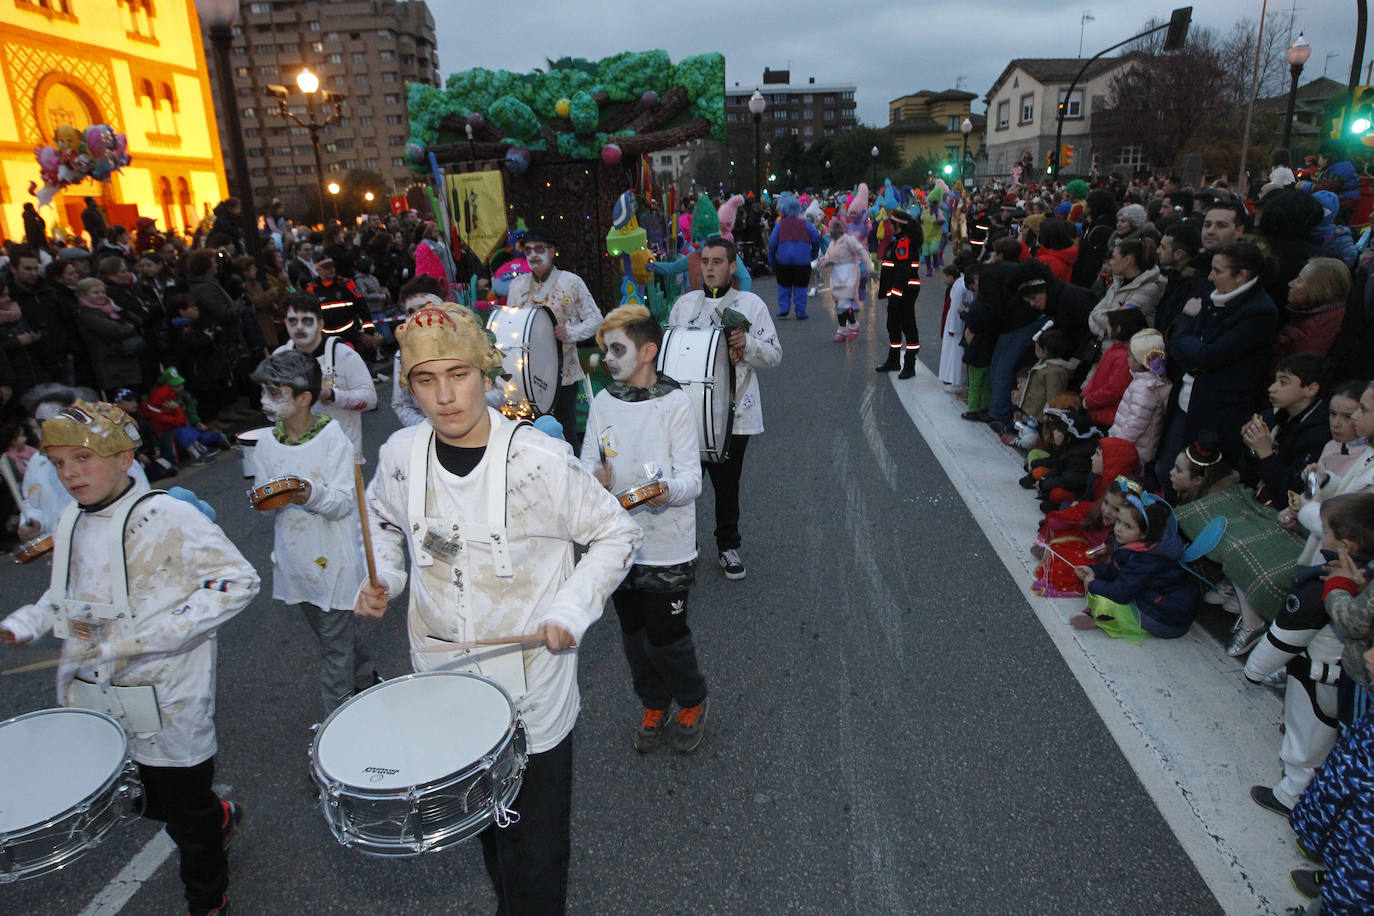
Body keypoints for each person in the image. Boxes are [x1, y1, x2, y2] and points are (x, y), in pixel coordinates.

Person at [355, 302, 641, 914]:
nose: (445, 396)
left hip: (531, 693)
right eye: (425, 381)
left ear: (487, 375)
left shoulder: (538, 461)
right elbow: (380, 514)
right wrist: (388, 572)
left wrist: (570, 608)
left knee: (535, 856)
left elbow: (616, 533)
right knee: (489, 831)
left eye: (457, 375)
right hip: (446, 684)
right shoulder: (401, 457)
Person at [0, 400, 258, 916]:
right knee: (136, 796)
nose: (70, 474)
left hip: (167, 693)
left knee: (183, 811)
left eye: (83, 458)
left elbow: (236, 582)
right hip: (97, 688)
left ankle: (207, 899)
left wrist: (150, 635)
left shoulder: (168, 516)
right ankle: (216, 816)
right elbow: (64, 592)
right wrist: (25, 622)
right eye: (58, 463)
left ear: (124, 458)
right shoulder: (71, 518)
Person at [580, 305, 710, 754]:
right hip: (619, 545)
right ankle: (654, 702)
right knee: (634, 637)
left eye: (618, 348)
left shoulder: (675, 403)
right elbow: (586, 463)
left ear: (648, 351)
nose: (609, 359)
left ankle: (692, 699)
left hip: (667, 545)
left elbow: (692, 480)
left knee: (666, 637)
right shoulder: (602, 401)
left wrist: (666, 491)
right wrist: (592, 475)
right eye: (605, 350)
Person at [250, 351, 373, 714]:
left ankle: (336, 727)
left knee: (334, 649)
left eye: (275, 394)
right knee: (334, 638)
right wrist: (265, 499)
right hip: (295, 561)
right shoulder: (266, 444)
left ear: (304, 398)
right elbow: (263, 497)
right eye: (264, 393)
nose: (264, 402)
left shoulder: (333, 439)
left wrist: (308, 493)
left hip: (333, 559)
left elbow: (342, 503)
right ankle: (367, 679)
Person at [1243, 493, 1374, 818]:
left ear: (1347, 546)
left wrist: (1255, 670)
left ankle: (1293, 796)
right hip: (1340, 675)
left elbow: (1286, 637)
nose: (1321, 536)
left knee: (1307, 738)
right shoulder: (1367, 573)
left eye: (1325, 532)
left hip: (1320, 676)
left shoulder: (1328, 584)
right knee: (1330, 735)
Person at [667, 237, 781, 580]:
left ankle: (727, 546)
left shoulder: (751, 303)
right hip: (688, 415)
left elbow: (774, 354)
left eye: (718, 262)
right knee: (684, 487)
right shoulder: (684, 305)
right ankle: (682, 548)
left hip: (734, 414)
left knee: (726, 486)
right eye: (705, 262)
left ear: (732, 267)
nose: (710, 268)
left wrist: (747, 344)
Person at [501, 229, 602, 447]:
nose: (533, 255)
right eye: (528, 250)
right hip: (525, 378)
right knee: (529, 436)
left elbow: (596, 319)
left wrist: (571, 333)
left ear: (553, 251)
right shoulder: (517, 286)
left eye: (540, 249)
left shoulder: (571, 282)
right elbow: (510, 325)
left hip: (564, 374)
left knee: (566, 433)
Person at [1071, 492, 1198, 639]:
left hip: (1166, 619)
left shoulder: (1146, 558)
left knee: (1111, 600)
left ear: (1144, 534)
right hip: (1159, 602)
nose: (1118, 528)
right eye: (1119, 522)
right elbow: (1116, 569)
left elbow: (1121, 593)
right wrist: (1094, 571)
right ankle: (1098, 614)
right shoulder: (1137, 545)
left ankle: (1105, 621)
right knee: (1112, 586)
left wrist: (1093, 584)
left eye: (1127, 526)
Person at [273, 293, 376, 458]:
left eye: (307, 320)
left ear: (320, 323)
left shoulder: (344, 355)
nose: (299, 327)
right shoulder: (278, 358)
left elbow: (371, 400)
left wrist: (331, 395)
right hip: (296, 457)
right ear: (285, 323)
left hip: (342, 457)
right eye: (292, 321)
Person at [1107, 329, 1173, 466]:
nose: (1127, 358)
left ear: (1140, 362)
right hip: (1132, 449)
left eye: (1130, 356)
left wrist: (1116, 446)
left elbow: (1135, 424)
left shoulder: (1145, 389)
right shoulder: (1146, 383)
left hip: (1131, 453)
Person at [875, 208, 923, 377]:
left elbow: (903, 272)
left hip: (905, 291)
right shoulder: (897, 242)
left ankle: (910, 364)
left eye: (891, 223)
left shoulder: (904, 243)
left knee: (908, 326)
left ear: (898, 226)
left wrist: (895, 293)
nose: (888, 225)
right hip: (896, 292)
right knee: (893, 325)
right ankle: (894, 360)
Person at [768, 192, 821, 320]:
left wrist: (772, 259)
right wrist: (813, 254)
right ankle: (800, 310)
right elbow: (816, 238)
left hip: (784, 260)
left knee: (783, 285)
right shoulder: (805, 224)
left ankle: (784, 307)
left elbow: (772, 243)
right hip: (802, 261)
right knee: (801, 286)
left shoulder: (780, 225)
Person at [816, 218, 868, 343]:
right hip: (836, 276)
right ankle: (842, 328)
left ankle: (853, 324)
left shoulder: (849, 241)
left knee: (844, 303)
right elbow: (828, 256)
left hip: (849, 274)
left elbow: (861, 251)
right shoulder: (832, 243)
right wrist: (823, 262)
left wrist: (868, 267)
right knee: (838, 304)